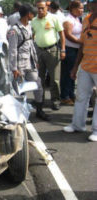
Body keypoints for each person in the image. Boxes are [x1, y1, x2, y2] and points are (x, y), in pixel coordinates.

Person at [8, 3, 50, 121]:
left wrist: (35, 60)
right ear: (28, 14)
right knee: (18, 90)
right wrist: (14, 68)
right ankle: (19, 114)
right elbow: (12, 50)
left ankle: (39, 110)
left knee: (38, 85)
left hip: (30, 64)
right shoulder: (14, 30)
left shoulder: (29, 26)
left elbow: (31, 45)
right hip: (19, 65)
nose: (34, 15)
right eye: (33, 13)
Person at [63, 0, 97, 142]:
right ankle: (78, 125)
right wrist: (76, 66)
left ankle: (96, 130)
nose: (90, 5)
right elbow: (83, 44)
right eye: (90, 2)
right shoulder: (87, 20)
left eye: (93, 2)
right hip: (86, 65)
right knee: (81, 97)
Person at [32, 0, 66, 111]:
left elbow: (61, 34)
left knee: (54, 79)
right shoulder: (33, 21)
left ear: (47, 8)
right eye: (38, 8)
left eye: (42, 8)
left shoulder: (53, 18)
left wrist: (63, 50)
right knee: (39, 79)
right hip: (39, 51)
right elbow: (32, 36)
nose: (40, 10)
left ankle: (55, 100)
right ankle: (39, 101)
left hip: (53, 50)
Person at [60, 1, 84, 105]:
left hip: (76, 50)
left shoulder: (76, 19)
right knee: (67, 73)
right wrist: (81, 42)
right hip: (70, 50)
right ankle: (65, 96)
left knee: (73, 73)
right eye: (80, 8)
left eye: (83, 8)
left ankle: (71, 94)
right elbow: (68, 35)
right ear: (73, 8)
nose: (82, 11)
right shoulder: (68, 20)